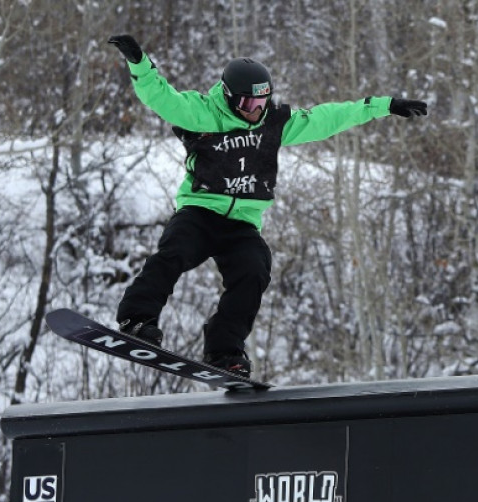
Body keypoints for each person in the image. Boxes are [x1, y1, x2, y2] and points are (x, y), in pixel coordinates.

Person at [107, 35, 427, 377]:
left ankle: (224, 352)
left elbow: (327, 118)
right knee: (174, 251)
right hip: (200, 211)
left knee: (254, 270)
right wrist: (140, 64)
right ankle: (137, 318)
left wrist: (383, 105)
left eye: (262, 102)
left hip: (243, 222)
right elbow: (161, 98)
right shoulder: (202, 113)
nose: (255, 110)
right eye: (248, 103)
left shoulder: (274, 124)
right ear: (228, 96)